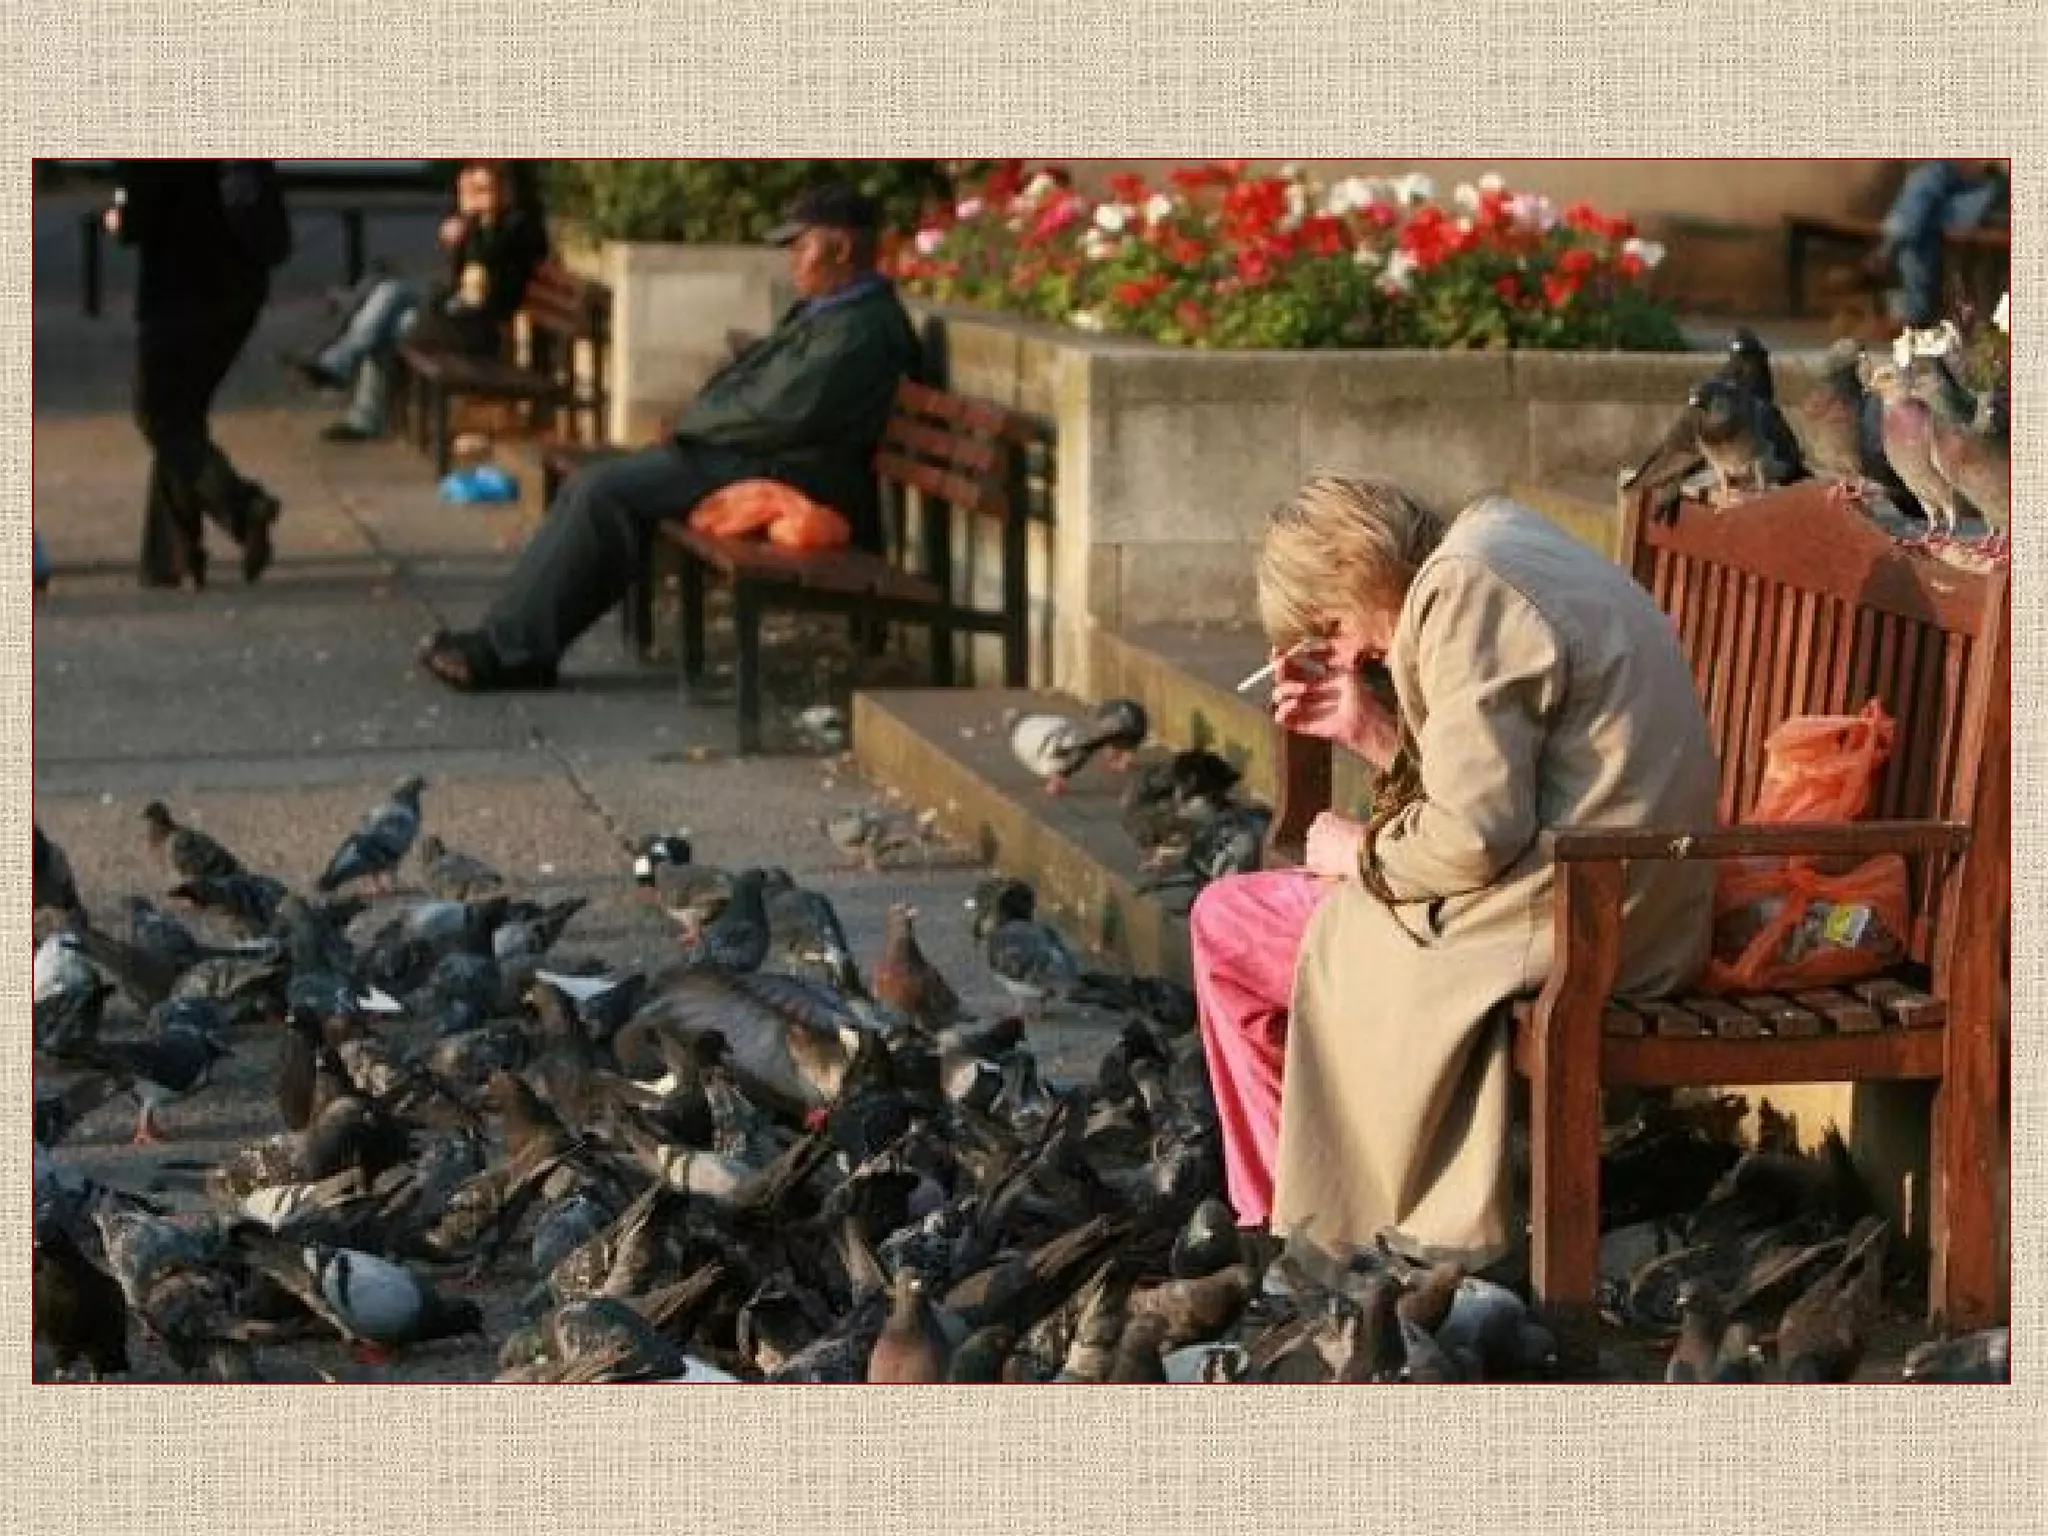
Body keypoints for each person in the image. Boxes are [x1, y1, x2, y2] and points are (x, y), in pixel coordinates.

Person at [1190, 476, 1720, 1266]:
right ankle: (1309, 1196)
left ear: (1351, 569)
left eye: (1328, 628)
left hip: (1585, 916)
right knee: (1280, 918)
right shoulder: (1499, 543)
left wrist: (1359, 853)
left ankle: (1295, 1230)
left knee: (1226, 924)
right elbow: (1511, 784)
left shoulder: (1462, 593)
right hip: (1627, 896)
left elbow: (1475, 833)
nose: (1345, 654)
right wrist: (1373, 731)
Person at [417, 182, 922, 693]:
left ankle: (511, 652)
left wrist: (686, 426)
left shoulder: (859, 327)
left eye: (801, 245)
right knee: (598, 487)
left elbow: (778, 410)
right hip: (757, 455)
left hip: (794, 475)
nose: (791, 259)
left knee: (602, 491)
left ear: (839, 248)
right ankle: (513, 645)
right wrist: (693, 423)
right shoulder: (834, 310)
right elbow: (754, 390)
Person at [110, 159, 290, 588]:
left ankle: (243, 506)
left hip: (179, 293)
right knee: (183, 419)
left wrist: (117, 219)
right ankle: (172, 557)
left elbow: (137, 219)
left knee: (159, 416)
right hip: (239, 289)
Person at [295, 160, 549, 442]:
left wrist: (473, 226)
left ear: (506, 191)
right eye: (469, 188)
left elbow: (484, 272)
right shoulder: (482, 225)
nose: (473, 196)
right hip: (455, 315)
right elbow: (458, 278)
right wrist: (466, 231)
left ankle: (353, 396)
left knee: (388, 325)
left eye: (482, 189)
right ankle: (341, 369)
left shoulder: (517, 228)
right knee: (390, 293)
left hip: (478, 327)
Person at [1862, 159, 2009, 329]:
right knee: (1925, 217)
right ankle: (1913, 313)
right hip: (1963, 195)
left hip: (1996, 193)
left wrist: (1983, 165)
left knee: (1930, 183)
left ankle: (1889, 247)